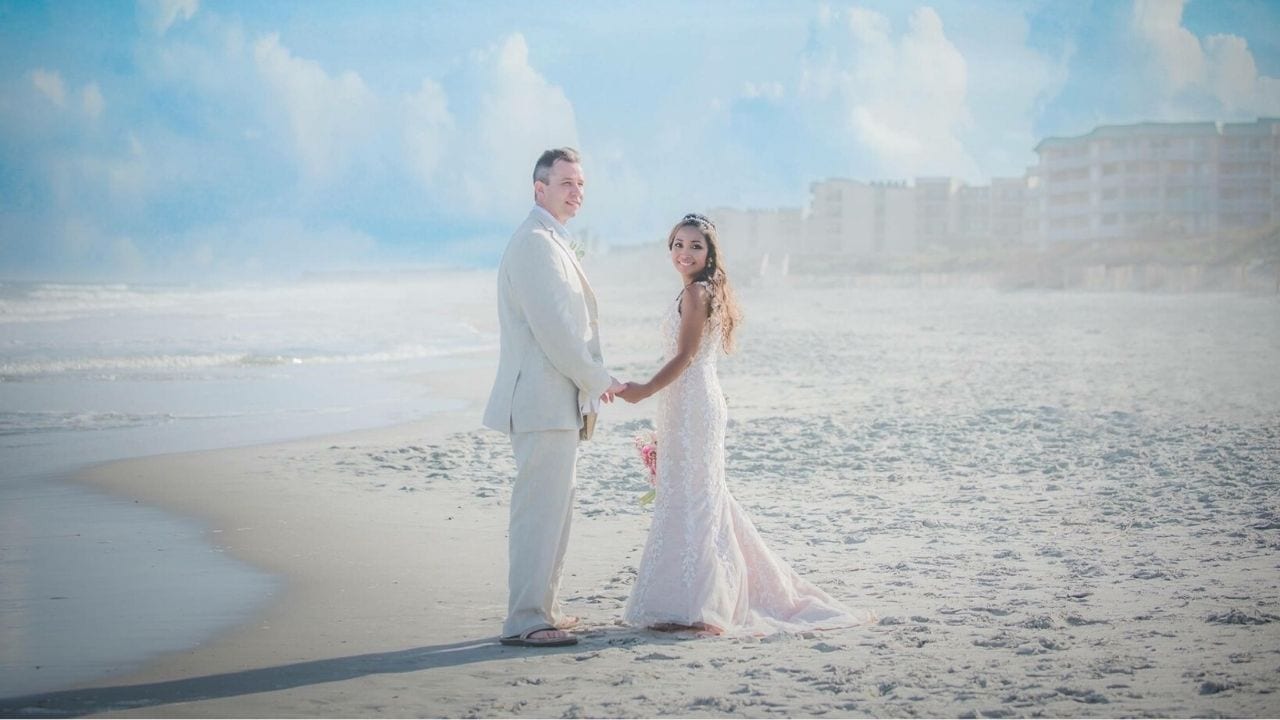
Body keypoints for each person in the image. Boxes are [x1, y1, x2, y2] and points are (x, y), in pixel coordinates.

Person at [617, 213, 873, 635]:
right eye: (678, 244)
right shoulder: (698, 290)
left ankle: (704, 608)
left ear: (710, 252)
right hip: (687, 402)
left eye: (695, 246)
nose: (685, 252)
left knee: (697, 499)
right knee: (692, 496)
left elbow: (684, 357)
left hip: (693, 400)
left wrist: (642, 390)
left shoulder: (699, 292)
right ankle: (687, 603)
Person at [483, 147, 625, 647]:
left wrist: (589, 381)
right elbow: (555, 332)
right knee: (537, 511)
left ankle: (543, 608)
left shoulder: (553, 240)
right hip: (540, 400)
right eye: (566, 182)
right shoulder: (533, 245)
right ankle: (524, 619)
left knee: (556, 510)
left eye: (581, 183)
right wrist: (597, 378)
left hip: (559, 401)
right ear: (539, 188)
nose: (576, 191)